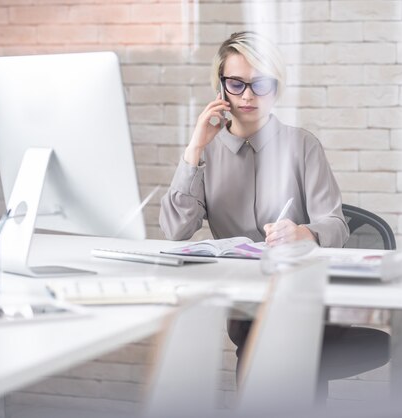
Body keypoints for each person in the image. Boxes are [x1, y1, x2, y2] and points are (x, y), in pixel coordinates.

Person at [159, 31, 387, 394]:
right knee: (264, 337)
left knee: (268, 342)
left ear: (276, 90)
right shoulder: (208, 151)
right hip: (246, 301)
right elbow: (175, 230)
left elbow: (336, 223)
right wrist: (194, 149)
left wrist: (304, 234)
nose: (248, 95)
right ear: (220, 88)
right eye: (236, 83)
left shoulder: (301, 145)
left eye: (261, 84)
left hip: (299, 296)